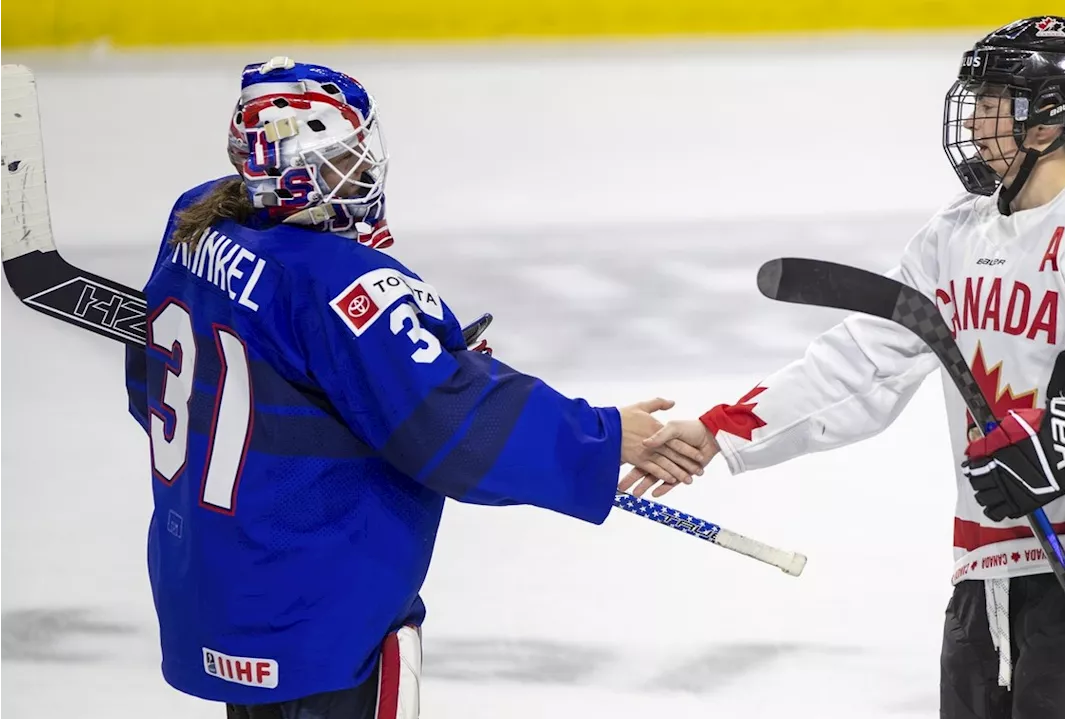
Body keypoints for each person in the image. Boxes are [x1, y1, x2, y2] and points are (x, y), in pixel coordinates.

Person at [623, 16, 1065, 719]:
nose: (976, 121)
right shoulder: (955, 234)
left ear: (1049, 118)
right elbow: (861, 362)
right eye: (976, 99)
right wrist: (718, 432)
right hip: (988, 569)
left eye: (994, 102)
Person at [123, 56, 701, 719]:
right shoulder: (343, 286)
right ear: (307, 173)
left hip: (219, 590)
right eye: (343, 159)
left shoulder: (193, 228)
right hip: (318, 608)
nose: (361, 172)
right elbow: (454, 428)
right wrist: (604, 436)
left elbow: (157, 389)